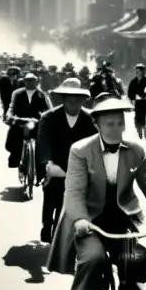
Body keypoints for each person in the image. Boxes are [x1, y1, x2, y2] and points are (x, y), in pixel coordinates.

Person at [46, 93, 146, 290]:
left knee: (135, 261)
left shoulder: (135, 151)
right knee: (93, 258)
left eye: (119, 123)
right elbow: (73, 191)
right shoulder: (81, 151)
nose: (115, 129)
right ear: (98, 125)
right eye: (109, 124)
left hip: (120, 220)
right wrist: (81, 220)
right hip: (89, 220)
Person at [35, 78, 97, 244]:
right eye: (69, 96)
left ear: (84, 99)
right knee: (51, 195)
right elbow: (43, 143)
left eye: (78, 97)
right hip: (55, 166)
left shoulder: (90, 119)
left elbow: (97, 144)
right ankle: (46, 224)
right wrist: (48, 164)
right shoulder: (48, 118)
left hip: (80, 169)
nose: (73, 100)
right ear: (62, 98)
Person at [5, 72, 51, 168]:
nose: (30, 83)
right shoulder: (17, 93)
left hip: (37, 122)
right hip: (20, 121)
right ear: (24, 82)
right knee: (14, 138)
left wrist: (46, 117)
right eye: (28, 80)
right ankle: (16, 159)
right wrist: (9, 115)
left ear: (36, 82)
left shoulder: (42, 95)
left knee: (43, 142)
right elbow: (11, 107)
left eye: (32, 80)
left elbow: (49, 109)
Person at [126, 63, 146, 140]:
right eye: (136, 71)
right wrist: (135, 97)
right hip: (137, 103)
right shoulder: (133, 82)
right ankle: (139, 129)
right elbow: (130, 93)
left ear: (143, 72)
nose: (137, 72)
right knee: (138, 114)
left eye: (139, 71)